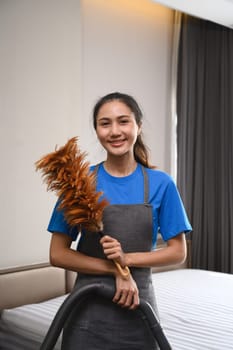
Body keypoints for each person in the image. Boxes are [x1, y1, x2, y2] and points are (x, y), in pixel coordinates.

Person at [47, 92, 192, 349]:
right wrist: (114, 269)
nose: (115, 131)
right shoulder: (79, 185)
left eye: (123, 121)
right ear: (97, 130)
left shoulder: (161, 184)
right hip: (86, 311)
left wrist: (127, 260)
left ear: (138, 125)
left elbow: (178, 252)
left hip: (139, 308)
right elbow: (58, 254)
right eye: (105, 123)